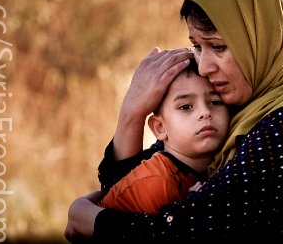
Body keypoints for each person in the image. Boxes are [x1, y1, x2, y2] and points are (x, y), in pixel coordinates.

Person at [65, 0, 283, 243]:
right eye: (196, 46)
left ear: (264, 39)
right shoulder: (241, 112)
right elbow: (133, 195)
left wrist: (86, 218)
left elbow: (182, 233)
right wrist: (132, 112)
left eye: (217, 46)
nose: (203, 67)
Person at [97, 59, 229, 213]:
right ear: (160, 128)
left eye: (214, 102)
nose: (205, 112)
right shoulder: (157, 182)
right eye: (186, 106)